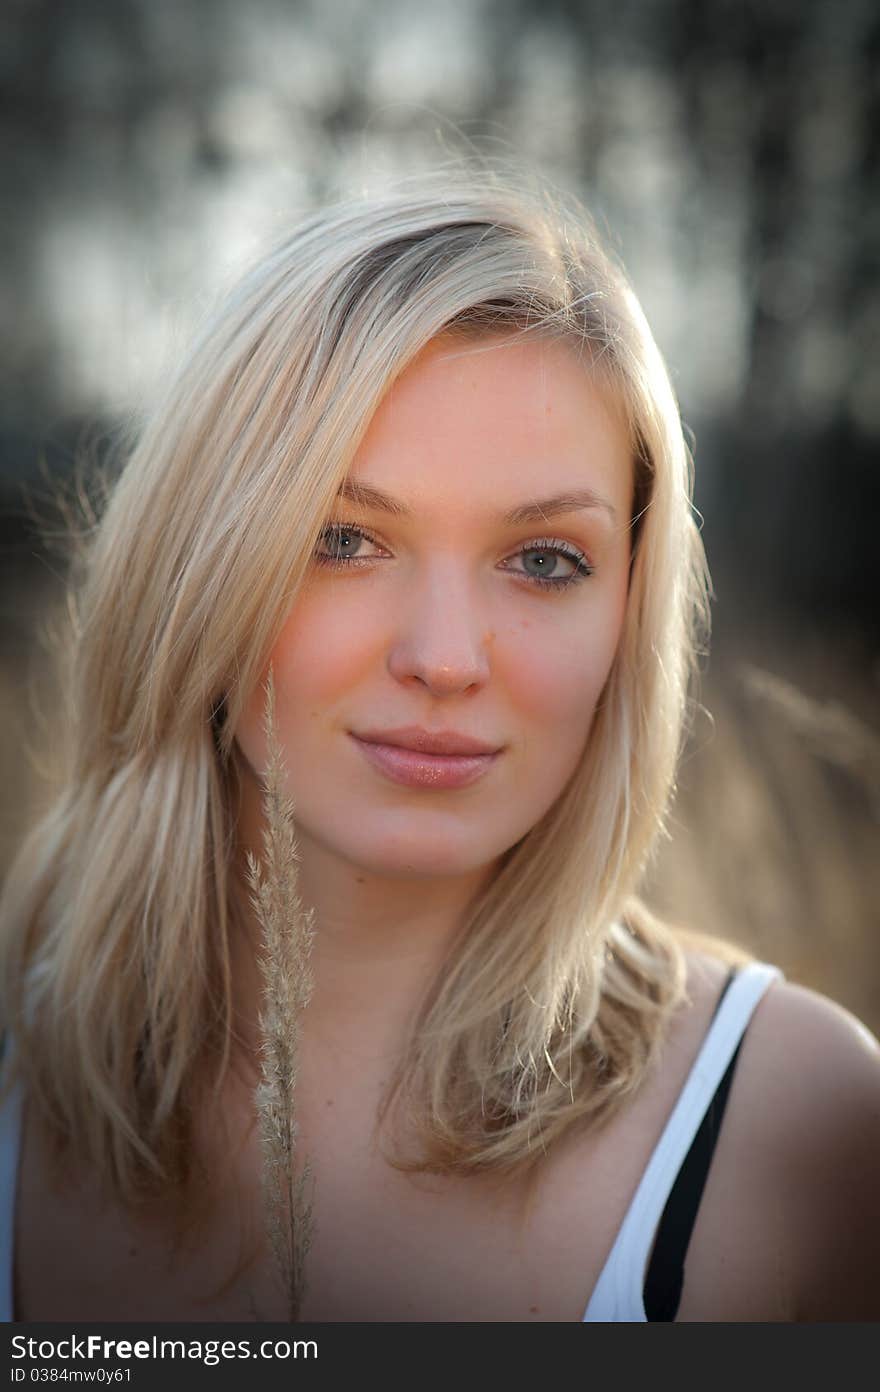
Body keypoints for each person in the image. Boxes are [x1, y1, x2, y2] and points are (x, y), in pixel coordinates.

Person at [0, 170, 878, 1324]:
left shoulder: (796, 1129)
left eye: (544, 560)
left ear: (629, 613)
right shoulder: (22, 1065)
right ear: (198, 567)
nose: (447, 657)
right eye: (345, 538)